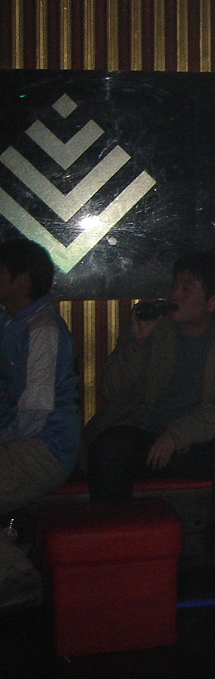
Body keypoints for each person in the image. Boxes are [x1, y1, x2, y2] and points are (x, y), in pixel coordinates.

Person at [84, 250, 215, 578]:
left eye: (186, 288)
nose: (174, 295)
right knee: (110, 445)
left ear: (212, 302)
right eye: (175, 285)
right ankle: (114, 550)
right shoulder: (157, 329)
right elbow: (114, 393)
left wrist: (178, 434)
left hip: (199, 443)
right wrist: (138, 344)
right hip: (149, 437)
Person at [0, 238, 78, 612]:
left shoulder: (42, 329)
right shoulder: (9, 321)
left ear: (21, 280)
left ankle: (19, 577)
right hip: (21, 441)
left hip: (45, 448)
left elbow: (33, 414)